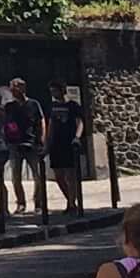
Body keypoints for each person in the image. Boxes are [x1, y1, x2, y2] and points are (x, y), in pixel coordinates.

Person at [0, 82, 48, 215]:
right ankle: (21, 203)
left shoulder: (34, 104)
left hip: (32, 143)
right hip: (14, 145)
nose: (12, 91)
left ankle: (38, 204)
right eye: (11, 89)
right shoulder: (9, 106)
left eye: (15, 88)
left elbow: (41, 121)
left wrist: (41, 139)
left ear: (23, 88)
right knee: (16, 177)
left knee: (39, 176)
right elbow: (4, 122)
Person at [45, 84, 90, 213]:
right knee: (58, 176)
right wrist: (47, 143)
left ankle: (71, 204)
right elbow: (51, 125)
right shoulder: (52, 107)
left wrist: (77, 137)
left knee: (70, 175)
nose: (53, 93)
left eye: (55, 90)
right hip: (56, 145)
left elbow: (80, 122)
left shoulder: (72, 106)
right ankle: (70, 200)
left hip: (69, 143)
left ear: (62, 91)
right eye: (51, 91)